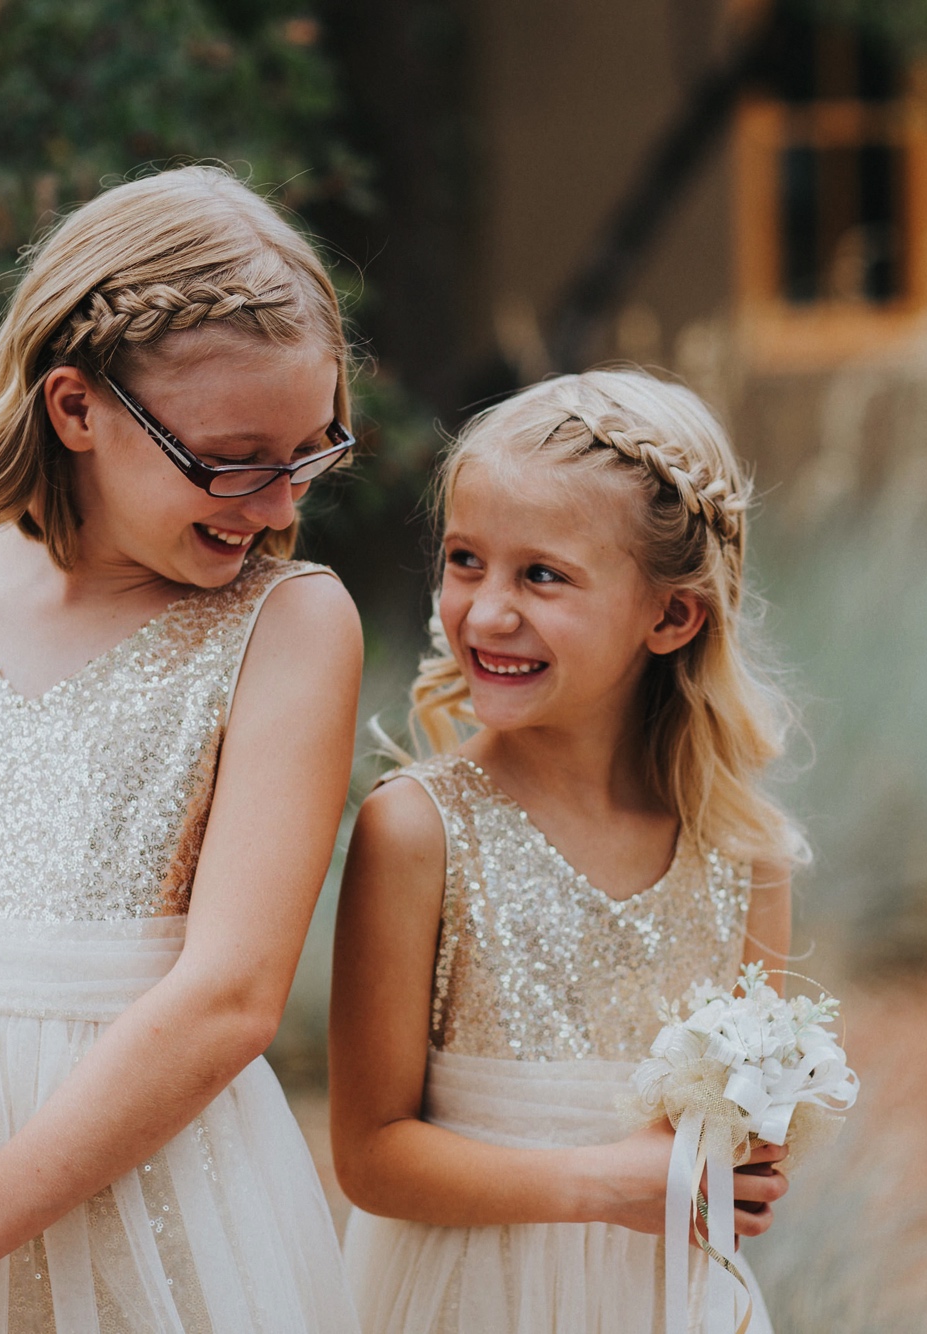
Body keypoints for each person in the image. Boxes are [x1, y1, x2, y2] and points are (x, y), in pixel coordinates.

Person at [0, 165, 364, 1333]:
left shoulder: (290, 624)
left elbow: (229, 997)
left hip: (161, 1211)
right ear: (75, 409)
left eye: (309, 452)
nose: (274, 502)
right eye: (232, 456)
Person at [328, 369, 805, 1333]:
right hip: (463, 1301)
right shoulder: (418, 830)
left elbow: (745, 1135)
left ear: (670, 617)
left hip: (668, 1303)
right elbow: (371, 1155)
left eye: (541, 575)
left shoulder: (741, 852)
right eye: (466, 560)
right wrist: (602, 1183)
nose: (487, 612)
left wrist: (743, 1157)